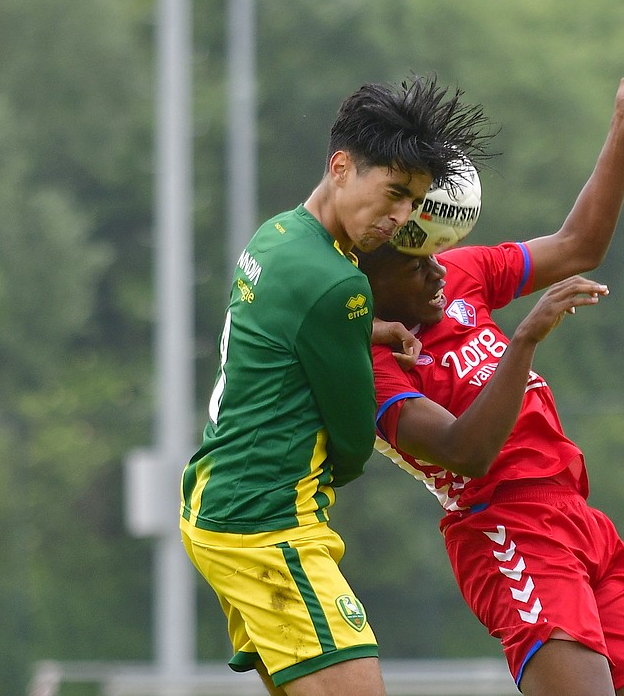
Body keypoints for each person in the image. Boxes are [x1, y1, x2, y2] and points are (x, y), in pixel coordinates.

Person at [361, 50, 624, 696]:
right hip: (505, 530)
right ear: (369, 282)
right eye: (415, 265)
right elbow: (467, 451)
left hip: (581, 519)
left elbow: (580, 245)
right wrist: (524, 342)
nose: (438, 271)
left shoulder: (455, 278)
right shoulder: (372, 362)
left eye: (436, 255)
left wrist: (622, 131)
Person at [179, 75, 493, 696]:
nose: (400, 218)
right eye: (394, 193)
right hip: (269, 525)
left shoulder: (277, 236)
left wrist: (366, 333)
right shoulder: (339, 284)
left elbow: (289, 328)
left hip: (216, 503)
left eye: (413, 203)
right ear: (342, 166)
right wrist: (364, 348)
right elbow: (351, 445)